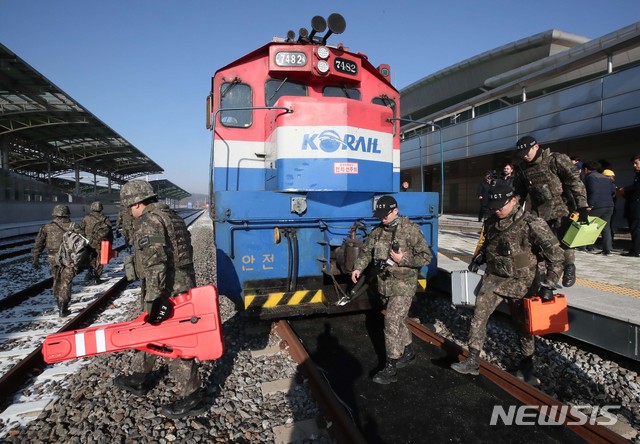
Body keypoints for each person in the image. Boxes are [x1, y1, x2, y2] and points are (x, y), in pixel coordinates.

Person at [451, 185, 564, 384]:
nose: (497, 210)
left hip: (522, 282)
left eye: (500, 205)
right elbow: (489, 244)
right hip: (494, 278)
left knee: (523, 324)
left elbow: (556, 255)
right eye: (493, 206)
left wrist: (549, 283)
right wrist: (480, 257)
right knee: (479, 314)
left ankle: (527, 362)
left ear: (513, 200)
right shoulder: (492, 221)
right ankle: (473, 359)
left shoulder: (531, 223)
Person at [113, 180, 205, 418]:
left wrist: (155, 298)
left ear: (137, 202)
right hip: (180, 284)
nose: (129, 212)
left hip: (166, 289)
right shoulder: (170, 215)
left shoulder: (148, 221)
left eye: (128, 206)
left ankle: (192, 396)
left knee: (173, 339)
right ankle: (140, 376)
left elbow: (156, 263)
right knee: (149, 329)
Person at [350, 195, 432, 384]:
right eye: (379, 215)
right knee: (399, 319)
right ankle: (408, 351)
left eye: (384, 214)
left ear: (395, 210)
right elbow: (367, 251)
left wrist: (403, 260)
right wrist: (358, 267)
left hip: (404, 284)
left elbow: (426, 257)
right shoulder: (378, 231)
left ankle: (390, 367)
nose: (382, 218)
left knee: (391, 321)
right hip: (385, 285)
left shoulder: (410, 230)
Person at [513, 135, 589, 287]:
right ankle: (545, 275)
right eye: (522, 154)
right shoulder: (522, 168)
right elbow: (519, 192)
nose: (526, 156)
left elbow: (575, 182)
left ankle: (569, 266)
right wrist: (513, 212)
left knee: (563, 242)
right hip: (539, 211)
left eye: (528, 152)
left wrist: (582, 206)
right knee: (538, 243)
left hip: (562, 208)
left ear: (536, 146)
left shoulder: (556, 159)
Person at [31, 205, 75, 317]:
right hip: (69, 258)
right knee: (66, 281)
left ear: (54, 214)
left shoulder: (46, 227)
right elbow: (83, 242)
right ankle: (63, 307)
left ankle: (59, 303)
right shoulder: (73, 226)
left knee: (56, 279)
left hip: (53, 258)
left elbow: (38, 244)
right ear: (67, 214)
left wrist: (36, 258)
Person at [582, 161, 616, 256]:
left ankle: (584, 247)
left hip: (597, 206)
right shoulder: (604, 177)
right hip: (609, 205)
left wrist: (590, 205)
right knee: (606, 227)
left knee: (588, 225)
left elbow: (593, 191)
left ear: (586, 169)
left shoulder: (590, 177)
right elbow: (612, 190)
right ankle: (607, 250)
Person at [79, 201, 113, 284]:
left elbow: (80, 230)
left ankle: (90, 274)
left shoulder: (86, 218)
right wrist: (110, 242)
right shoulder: (104, 218)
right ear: (101, 208)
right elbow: (109, 231)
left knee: (91, 258)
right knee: (100, 259)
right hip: (101, 242)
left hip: (88, 242)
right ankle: (96, 277)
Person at [619, 155, 640, 257]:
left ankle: (636, 251)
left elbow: (637, 188)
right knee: (634, 229)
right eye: (633, 164)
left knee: (636, 229)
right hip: (633, 207)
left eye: (636, 163)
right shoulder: (637, 175)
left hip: (637, 208)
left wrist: (625, 189)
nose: (634, 165)